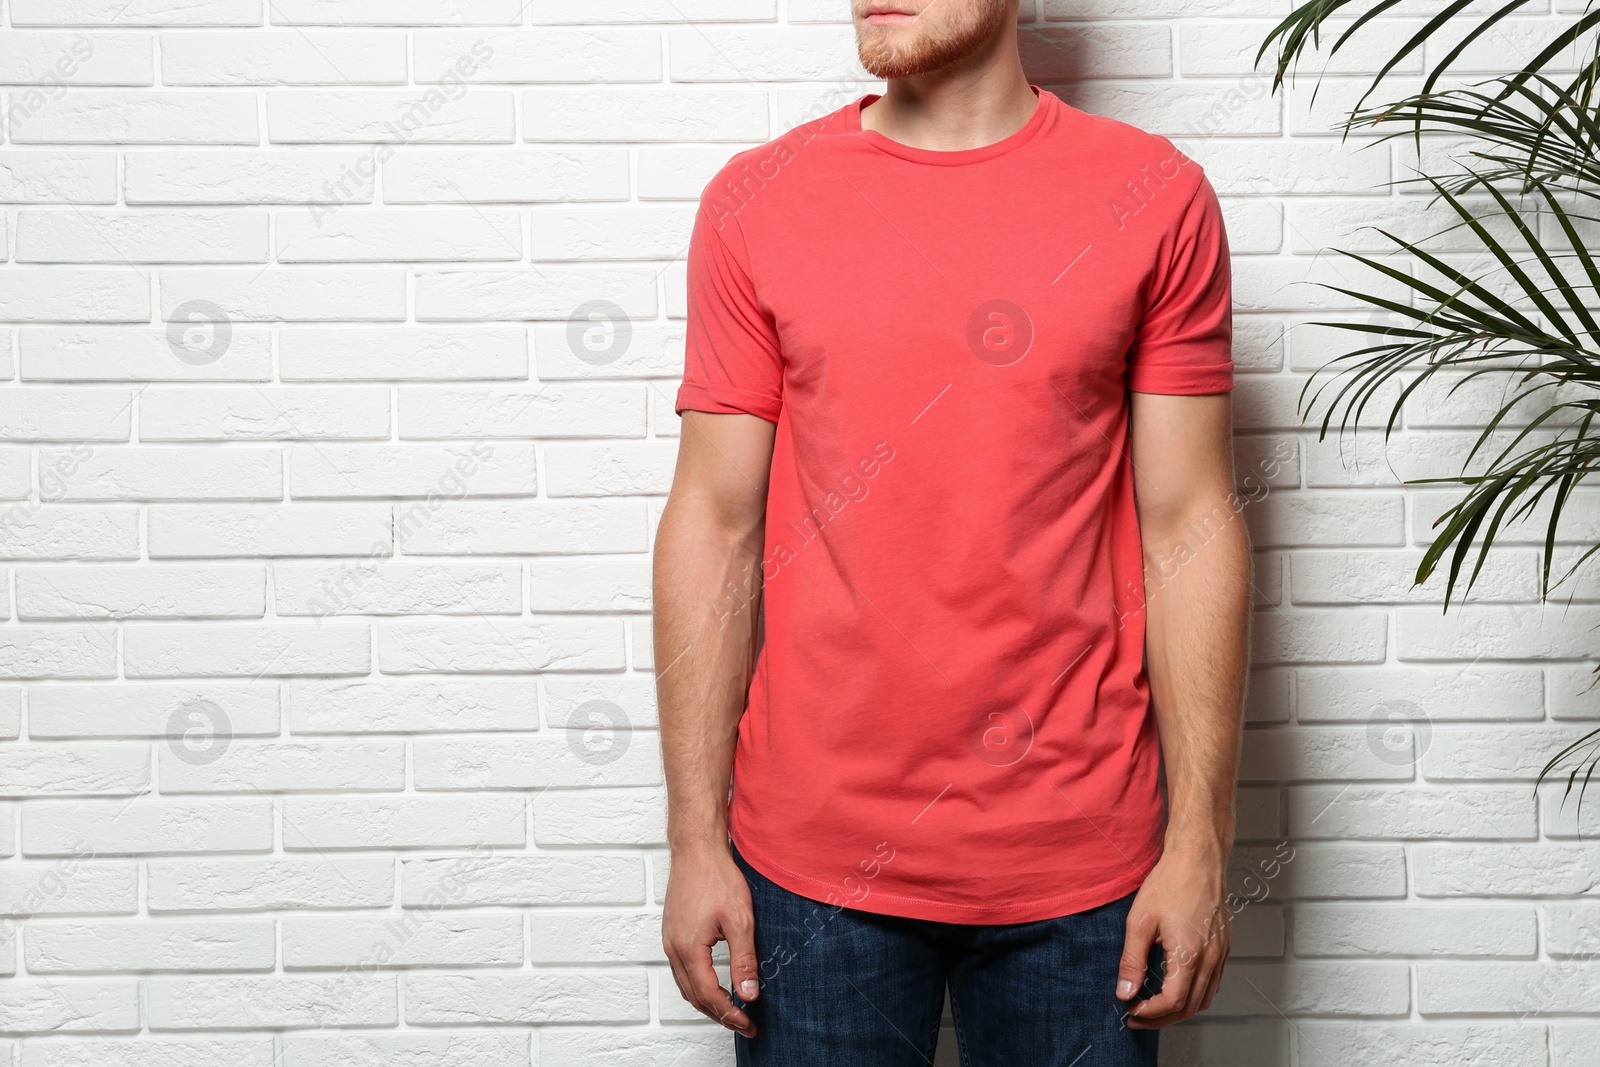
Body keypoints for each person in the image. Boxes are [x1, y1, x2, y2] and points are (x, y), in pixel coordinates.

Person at [652, 1, 1251, 1063]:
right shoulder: (757, 202)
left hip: (1081, 869)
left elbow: (1188, 523)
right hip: (808, 874)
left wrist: (1200, 841)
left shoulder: (1154, 198)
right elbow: (713, 519)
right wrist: (694, 838)